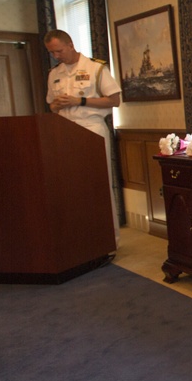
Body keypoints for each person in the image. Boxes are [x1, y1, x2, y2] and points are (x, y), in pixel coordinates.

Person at [44, 29, 122, 245]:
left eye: (59, 51)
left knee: (97, 183)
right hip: (64, 131)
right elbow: (51, 105)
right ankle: (79, 237)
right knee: (71, 185)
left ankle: (107, 238)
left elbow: (114, 100)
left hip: (91, 128)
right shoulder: (54, 73)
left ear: (70, 44)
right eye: (52, 53)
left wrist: (81, 101)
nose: (56, 56)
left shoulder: (95, 68)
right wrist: (55, 105)